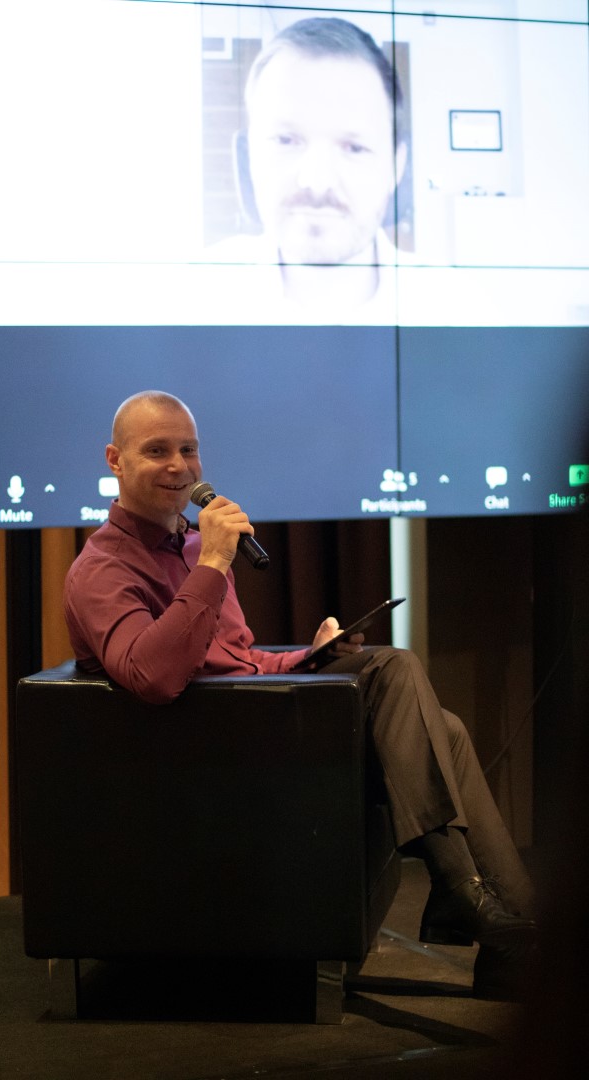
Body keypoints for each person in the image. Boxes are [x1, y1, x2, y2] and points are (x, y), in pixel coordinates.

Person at [64, 390, 537, 1000]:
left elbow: (236, 659)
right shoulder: (102, 570)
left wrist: (309, 658)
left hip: (253, 723)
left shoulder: (194, 547)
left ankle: (514, 944)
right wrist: (213, 564)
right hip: (200, 756)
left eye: (189, 449)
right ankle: (461, 892)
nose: (179, 466)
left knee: (443, 728)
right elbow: (152, 677)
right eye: (157, 451)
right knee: (392, 667)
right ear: (115, 460)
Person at [209, 17, 409, 320]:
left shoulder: (463, 308)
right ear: (250, 156)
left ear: (396, 166)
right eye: (285, 140)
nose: (317, 181)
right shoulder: (182, 298)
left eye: (354, 148)